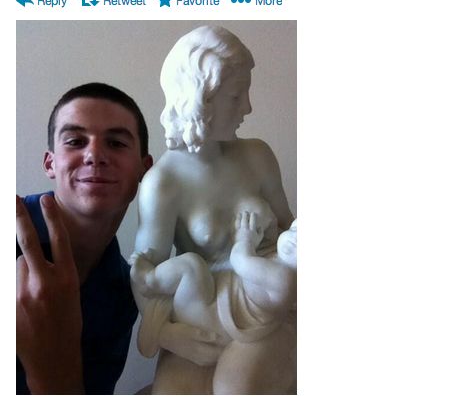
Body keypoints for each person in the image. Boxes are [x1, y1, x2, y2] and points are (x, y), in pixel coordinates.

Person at [131, 26, 296, 394]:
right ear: (198, 99)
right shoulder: (163, 182)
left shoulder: (258, 156)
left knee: (236, 390)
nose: (248, 108)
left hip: (265, 307)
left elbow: (291, 231)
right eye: (236, 95)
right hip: (202, 313)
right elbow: (145, 270)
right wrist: (167, 335)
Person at [16, 82, 154, 394]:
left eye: (116, 143)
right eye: (76, 141)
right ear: (50, 163)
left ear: (144, 169)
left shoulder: (125, 291)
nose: (94, 155)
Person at [131, 209, 297, 371]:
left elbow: (240, 259)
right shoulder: (280, 263)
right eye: (296, 230)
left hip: (213, 319)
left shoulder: (284, 278)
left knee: (191, 266)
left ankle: (149, 280)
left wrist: (245, 239)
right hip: (219, 307)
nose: (295, 239)